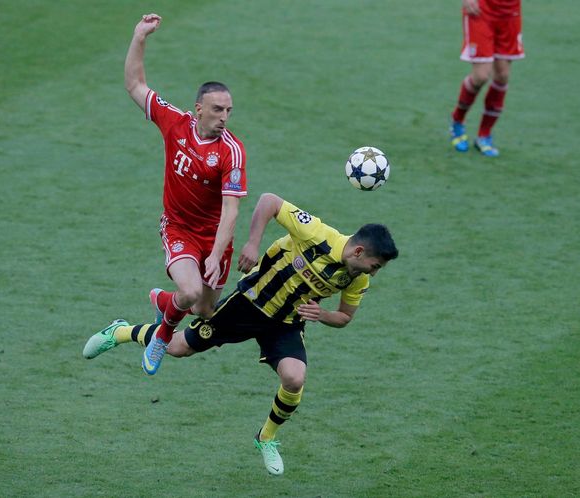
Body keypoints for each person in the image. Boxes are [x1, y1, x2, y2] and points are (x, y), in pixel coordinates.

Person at [83, 193, 399, 476]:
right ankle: (121, 331)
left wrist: (323, 315)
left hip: (285, 323)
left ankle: (267, 438)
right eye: (374, 265)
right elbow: (269, 202)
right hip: (247, 305)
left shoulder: (357, 279)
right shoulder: (318, 234)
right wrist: (252, 243)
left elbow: (344, 317)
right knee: (179, 348)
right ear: (358, 251)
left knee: (295, 378)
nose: (373, 272)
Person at [124, 13, 247, 375]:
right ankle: (161, 335)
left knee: (205, 309)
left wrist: (215, 252)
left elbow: (231, 211)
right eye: (217, 109)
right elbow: (134, 84)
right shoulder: (175, 123)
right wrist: (139, 36)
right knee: (192, 293)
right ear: (199, 109)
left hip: (215, 240)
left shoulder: (232, 152)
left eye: (228, 110)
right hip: (178, 228)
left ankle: (163, 301)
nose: (224, 116)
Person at [448, 0, 524, 157]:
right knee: (481, 76)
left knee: (502, 76)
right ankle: (457, 120)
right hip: (481, 9)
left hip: (510, 11)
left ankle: (484, 135)